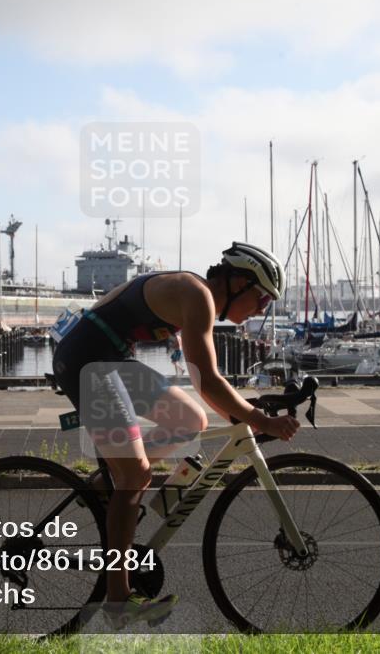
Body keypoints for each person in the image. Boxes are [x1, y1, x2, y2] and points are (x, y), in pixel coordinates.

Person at [52, 242, 300, 628]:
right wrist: (258, 419)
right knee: (135, 475)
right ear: (237, 282)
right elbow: (208, 379)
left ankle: (107, 482)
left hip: (111, 359)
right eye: (262, 296)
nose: (264, 307)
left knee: (190, 421)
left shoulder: (194, 294)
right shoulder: (197, 295)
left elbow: (208, 391)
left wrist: (246, 415)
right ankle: (119, 603)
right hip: (90, 361)